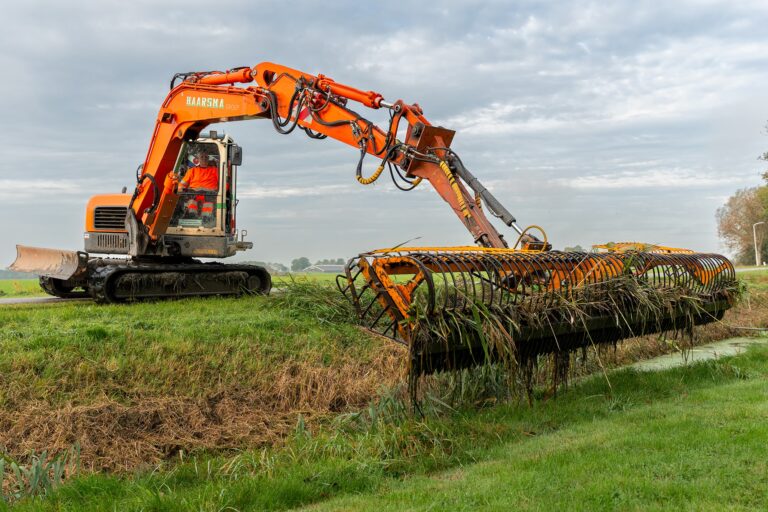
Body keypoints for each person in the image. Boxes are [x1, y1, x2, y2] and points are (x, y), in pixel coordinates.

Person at [179, 149, 219, 225]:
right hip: (193, 195)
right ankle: (192, 218)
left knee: (208, 205)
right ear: (198, 159)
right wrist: (180, 190)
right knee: (191, 202)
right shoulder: (192, 171)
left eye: (206, 157)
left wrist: (222, 191)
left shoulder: (215, 171)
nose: (204, 159)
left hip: (210, 195)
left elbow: (223, 184)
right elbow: (182, 184)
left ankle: (206, 221)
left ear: (208, 159)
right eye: (202, 157)